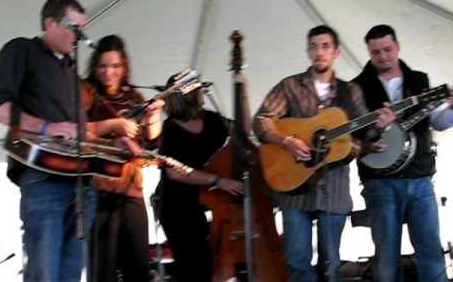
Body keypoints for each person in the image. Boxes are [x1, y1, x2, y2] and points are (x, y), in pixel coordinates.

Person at [0, 0, 141, 282]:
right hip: (44, 181)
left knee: (71, 272)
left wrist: (110, 144)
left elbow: (77, 133)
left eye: (82, 29)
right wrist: (46, 127)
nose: (78, 37)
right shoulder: (22, 50)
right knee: (46, 270)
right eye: (72, 27)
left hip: (81, 184)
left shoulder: (69, 72)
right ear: (50, 23)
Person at [252, 25, 395, 282]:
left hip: (334, 190)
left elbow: (363, 139)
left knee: (331, 267)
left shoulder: (350, 92)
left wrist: (379, 127)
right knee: (297, 262)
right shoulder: (289, 86)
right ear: (308, 50)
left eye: (325, 46)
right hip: (294, 191)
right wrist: (286, 141)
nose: (319, 52)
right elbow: (261, 121)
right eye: (314, 46)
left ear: (336, 52)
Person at [352, 24, 453, 282]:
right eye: (375, 52)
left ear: (397, 46)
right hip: (380, 182)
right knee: (386, 257)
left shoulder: (419, 81)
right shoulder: (356, 87)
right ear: (369, 52)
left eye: (387, 49)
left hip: (420, 179)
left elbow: (437, 122)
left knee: (431, 253)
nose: (383, 56)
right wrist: (374, 128)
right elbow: (349, 138)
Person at [83, 34, 163, 282]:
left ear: (124, 66)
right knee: (102, 269)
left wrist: (153, 115)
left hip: (131, 189)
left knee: (138, 266)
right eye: (103, 66)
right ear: (95, 67)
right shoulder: (84, 92)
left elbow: (152, 140)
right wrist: (113, 124)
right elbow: (75, 131)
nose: (109, 73)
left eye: (115, 66)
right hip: (98, 189)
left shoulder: (134, 97)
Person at [156, 72, 246, 282]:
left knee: (206, 264)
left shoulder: (212, 119)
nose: (202, 91)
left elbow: (243, 132)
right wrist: (218, 181)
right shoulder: (171, 128)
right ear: (187, 94)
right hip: (177, 205)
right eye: (197, 88)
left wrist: (243, 93)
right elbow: (174, 171)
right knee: (193, 264)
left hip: (207, 201)